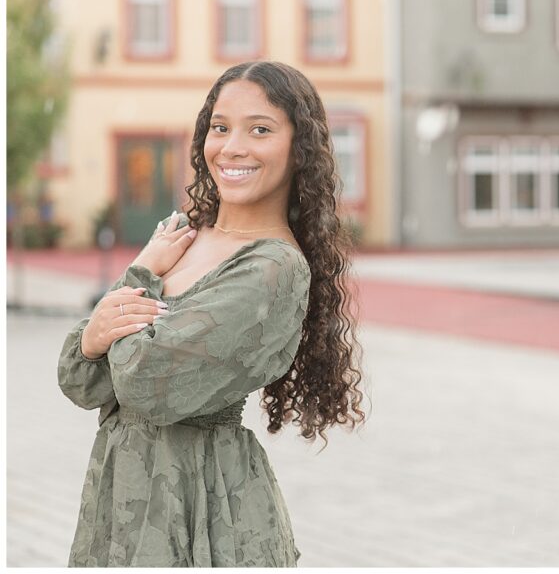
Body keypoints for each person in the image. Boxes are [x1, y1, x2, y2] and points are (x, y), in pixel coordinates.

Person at [57, 61, 366, 567]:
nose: (232, 147)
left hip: (201, 512)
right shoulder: (182, 236)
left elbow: (144, 382)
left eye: (260, 130)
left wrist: (136, 276)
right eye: (220, 128)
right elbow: (79, 378)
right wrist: (102, 335)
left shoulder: (273, 268)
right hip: (118, 502)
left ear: (299, 149)